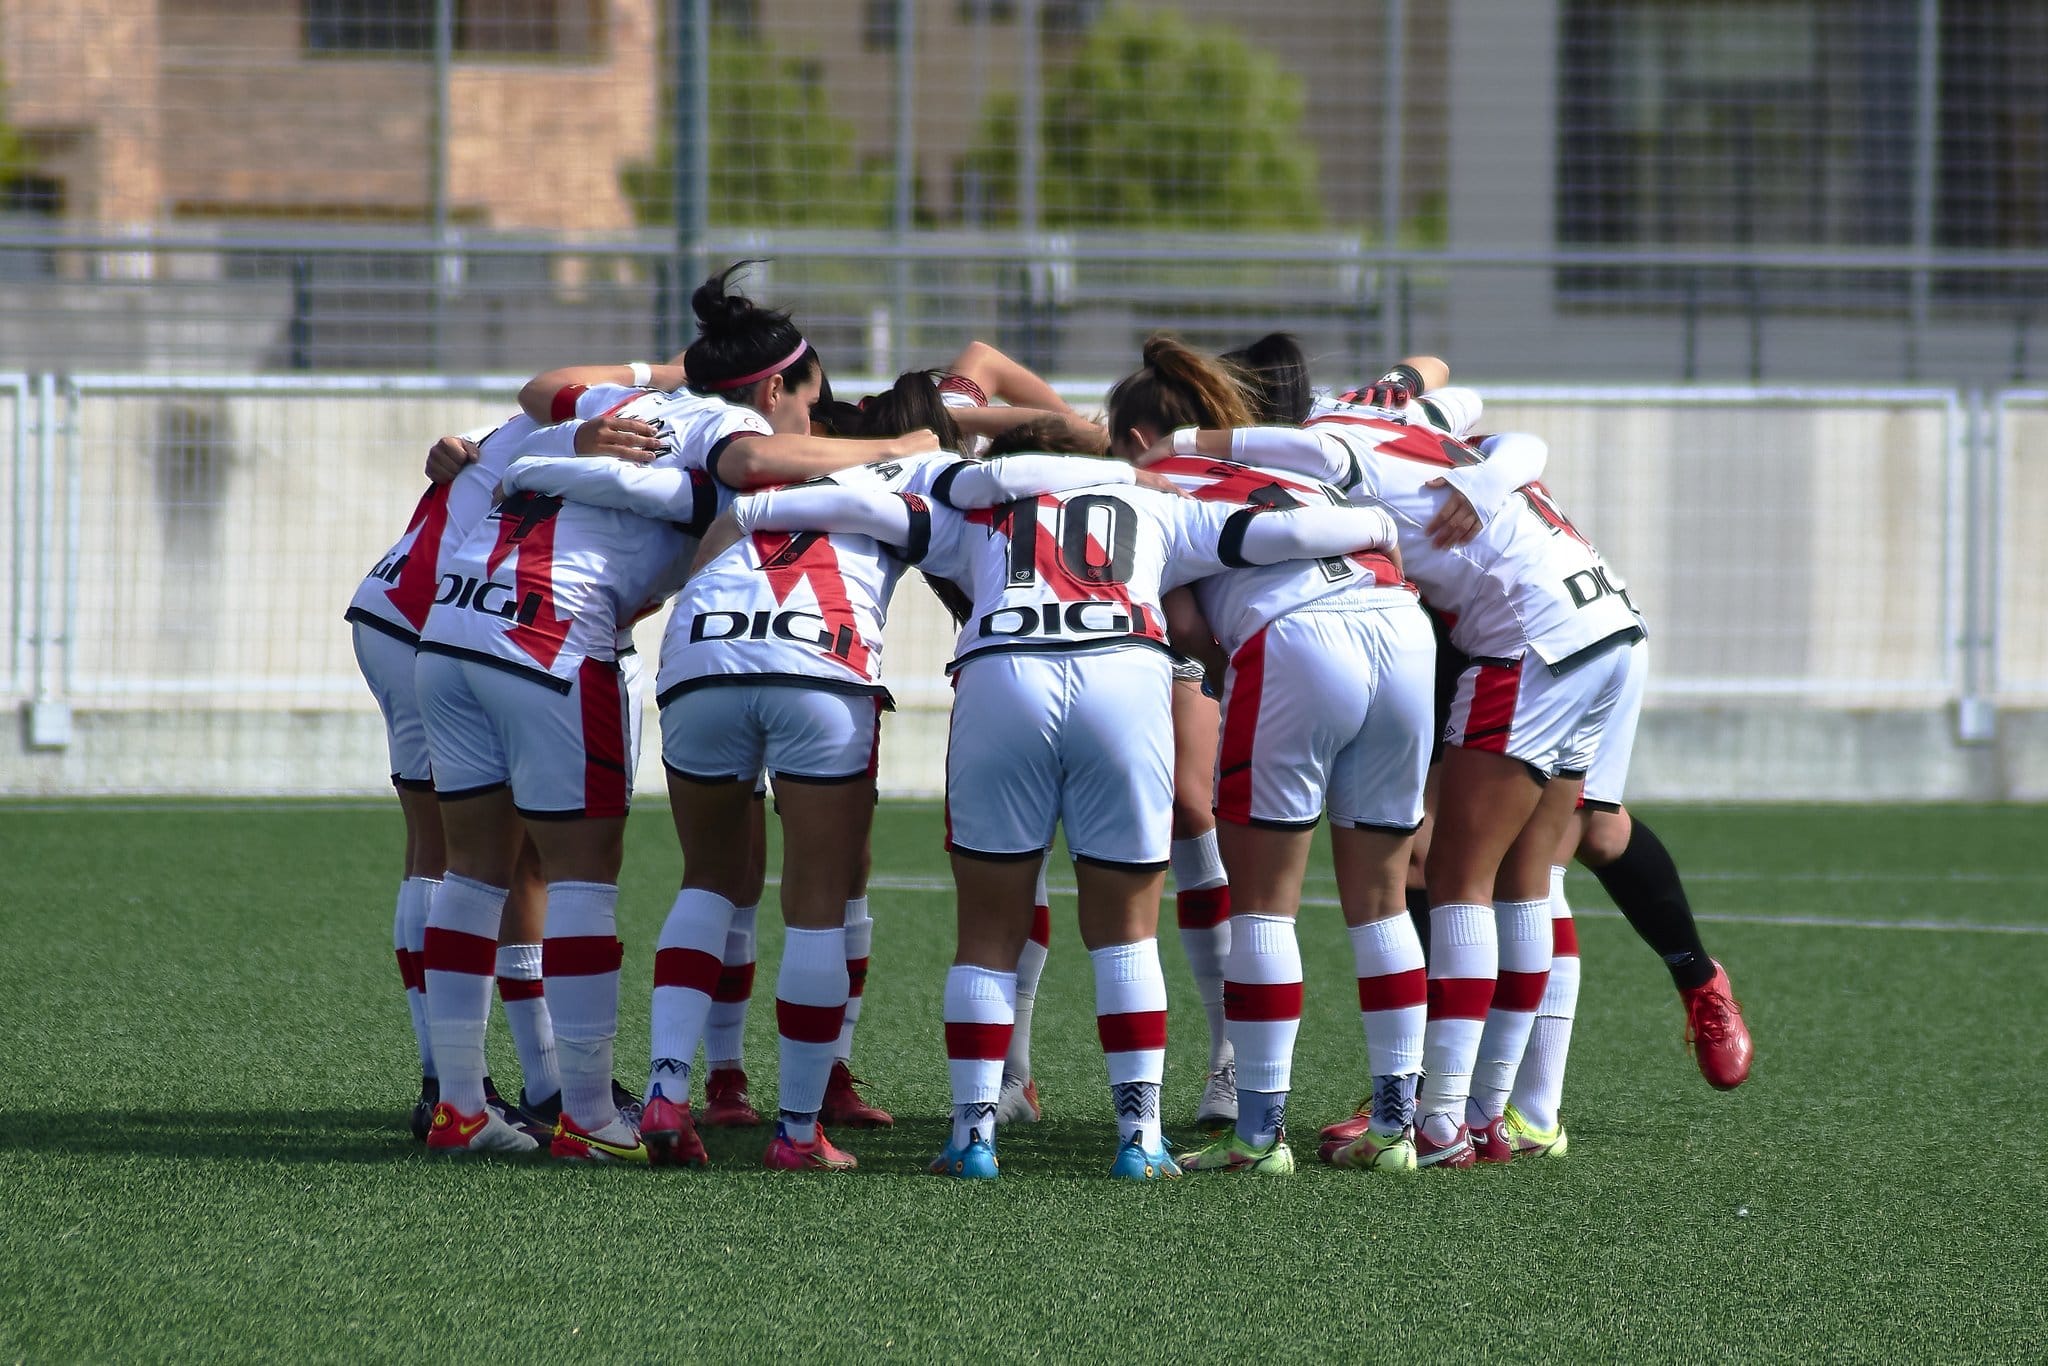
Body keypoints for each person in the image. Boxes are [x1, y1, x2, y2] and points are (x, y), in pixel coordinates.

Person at [728, 375, 1412, 1181]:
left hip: (1002, 679)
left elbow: (848, 504)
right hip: (1122, 679)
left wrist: (747, 514)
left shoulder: (968, 502)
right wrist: (1376, 525)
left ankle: (973, 1137)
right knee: (1126, 929)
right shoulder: (1160, 501)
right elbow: (1281, 534)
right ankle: (1140, 1139)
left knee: (986, 931)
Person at [413, 263, 934, 1160]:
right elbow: (759, 460)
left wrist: (567, 440)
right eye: (810, 405)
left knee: (472, 872)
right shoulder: (729, 426)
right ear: (777, 389)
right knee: (580, 875)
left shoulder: (614, 405)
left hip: (454, 627)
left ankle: (459, 1102)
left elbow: (537, 393)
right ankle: (586, 1111)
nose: (811, 429)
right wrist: (905, 446)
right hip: (548, 638)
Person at [1146, 372, 1636, 1170]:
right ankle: (1417, 1123)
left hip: (1475, 636)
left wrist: (1187, 449)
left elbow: (1190, 618)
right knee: (1458, 891)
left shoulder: (1176, 477)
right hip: (1510, 622)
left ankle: (1287, 1134)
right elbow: (1483, 411)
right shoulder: (1404, 428)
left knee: (1283, 903)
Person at [1118, 343, 1440, 1175]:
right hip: (1400, 628)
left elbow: (1188, 631)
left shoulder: (1151, 485)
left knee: (1264, 905)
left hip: (1295, 638)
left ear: (1140, 434)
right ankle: (1397, 1131)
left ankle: (1259, 1136)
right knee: (1382, 900)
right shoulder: (1296, 471)